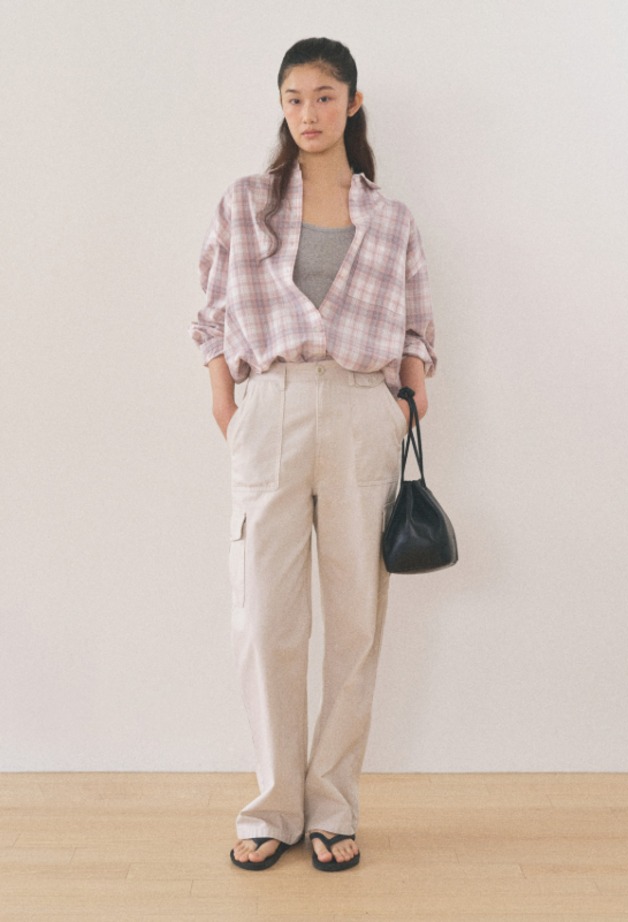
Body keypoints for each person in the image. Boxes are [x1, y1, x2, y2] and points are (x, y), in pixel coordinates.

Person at [189, 36, 437, 872]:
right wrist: (226, 401)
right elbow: (211, 313)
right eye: (294, 98)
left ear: (353, 104)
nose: (309, 113)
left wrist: (408, 395)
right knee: (266, 620)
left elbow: (418, 326)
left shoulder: (390, 219)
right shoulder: (245, 204)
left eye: (325, 97)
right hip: (271, 407)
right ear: (282, 107)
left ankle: (333, 806)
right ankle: (274, 808)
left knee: (355, 622)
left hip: (363, 411)